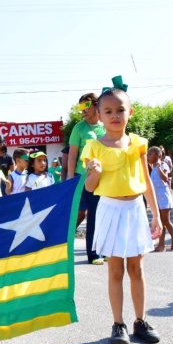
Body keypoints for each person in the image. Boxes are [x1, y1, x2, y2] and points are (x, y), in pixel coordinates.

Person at [80, 77, 162, 344]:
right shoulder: (93, 146)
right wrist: (95, 172)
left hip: (135, 208)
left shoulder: (138, 143)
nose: (115, 115)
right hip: (110, 208)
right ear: (99, 116)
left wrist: (157, 215)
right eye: (108, 111)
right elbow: (90, 188)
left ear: (131, 111)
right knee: (115, 269)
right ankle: (119, 323)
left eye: (120, 110)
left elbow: (146, 181)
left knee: (136, 268)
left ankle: (141, 320)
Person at [67, 92, 106, 265]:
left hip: (105, 177)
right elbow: (72, 154)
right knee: (90, 213)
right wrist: (71, 179)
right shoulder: (79, 128)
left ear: (96, 105)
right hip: (83, 177)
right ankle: (93, 254)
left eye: (86, 106)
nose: (82, 110)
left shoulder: (105, 125)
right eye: (80, 107)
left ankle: (103, 250)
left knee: (103, 214)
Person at [148, 146, 173, 251]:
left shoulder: (163, 165)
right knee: (160, 223)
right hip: (157, 198)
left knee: (166, 221)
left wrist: (159, 167)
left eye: (150, 154)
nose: (148, 156)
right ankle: (161, 245)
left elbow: (165, 178)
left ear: (157, 155)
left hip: (164, 197)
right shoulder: (153, 168)